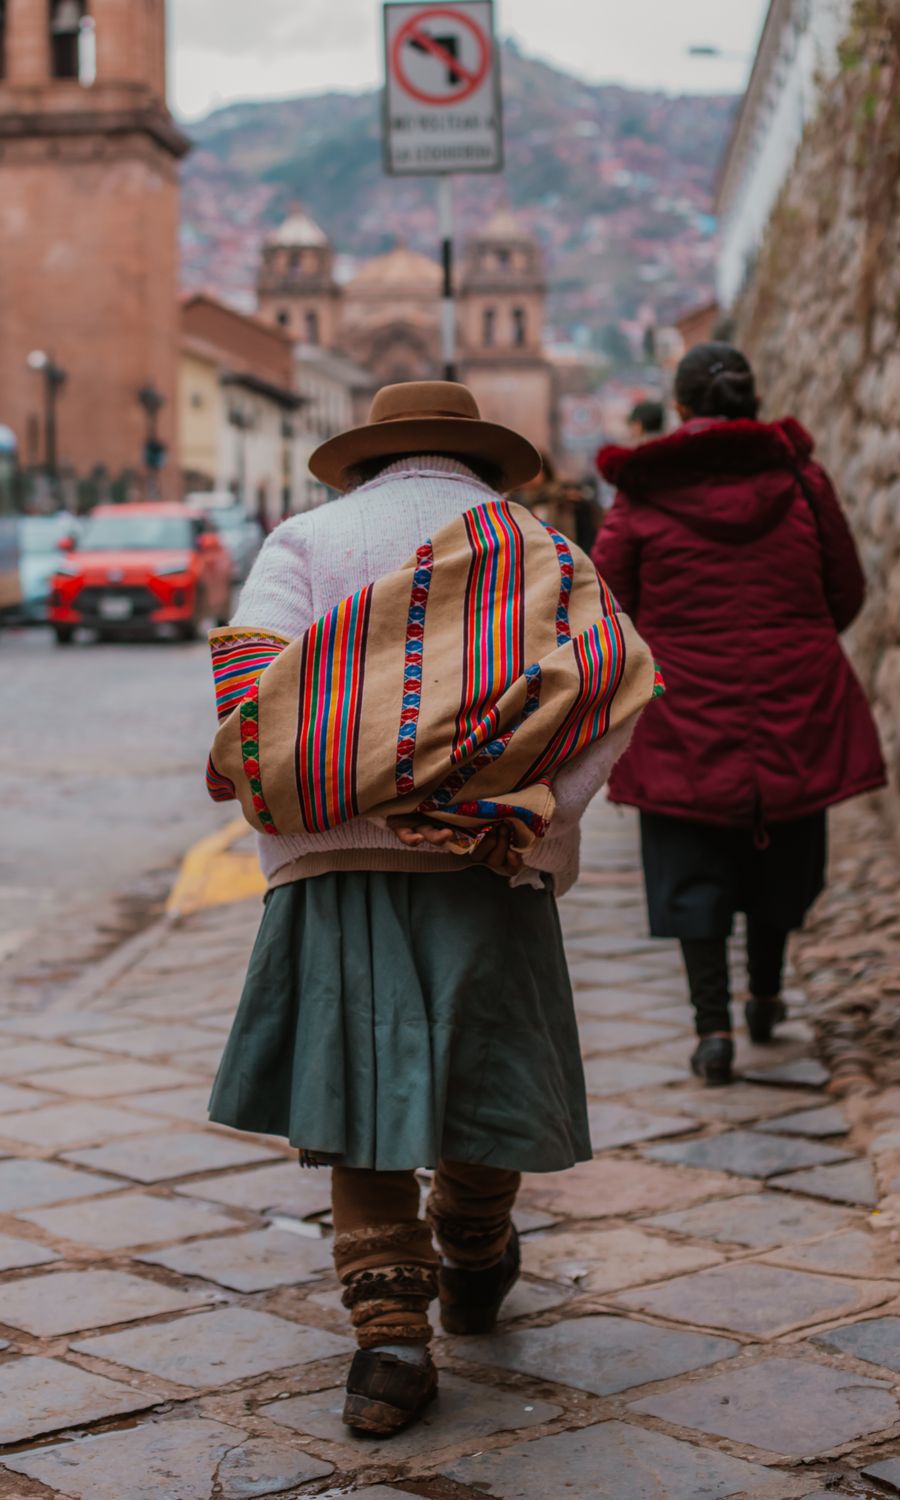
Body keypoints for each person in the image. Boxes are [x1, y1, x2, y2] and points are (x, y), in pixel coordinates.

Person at [205, 382, 653, 1436]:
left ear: (367, 459)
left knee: (351, 1099)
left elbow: (249, 710)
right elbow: (610, 690)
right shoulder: (549, 555)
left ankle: (390, 1345)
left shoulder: (303, 541)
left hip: (331, 868)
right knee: (486, 1076)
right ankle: (476, 1252)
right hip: (489, 865)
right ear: (485, 464)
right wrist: (527, 814)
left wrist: (347, 783)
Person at [592, 342, 885, 1087]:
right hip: (794, 698)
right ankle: (766, 995)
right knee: (782, 848)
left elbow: (606, 606)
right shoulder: (801, 480)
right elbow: (845, 589)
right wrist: (797, 640)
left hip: (684, 709)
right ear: (753, 400)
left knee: (690, 858)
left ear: (680, 408)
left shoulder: (643, 496)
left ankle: (712, 1030)